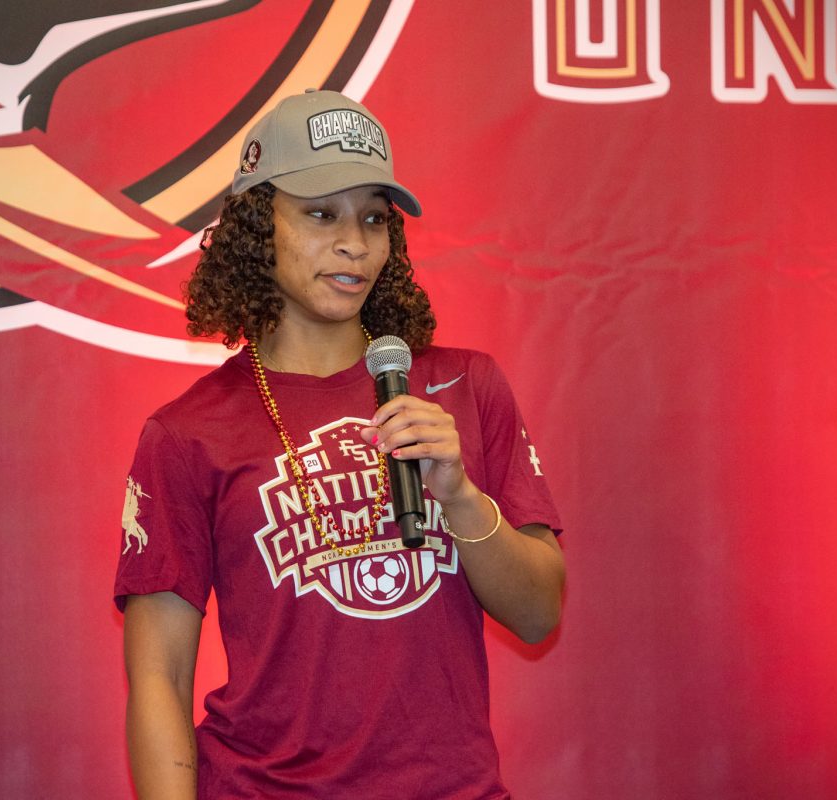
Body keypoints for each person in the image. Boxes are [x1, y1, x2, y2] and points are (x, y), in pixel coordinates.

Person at [115, 89, 565, 799]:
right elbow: (159, 679)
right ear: (260, 227)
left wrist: (459, 495)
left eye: (374, 218)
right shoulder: (186, 432)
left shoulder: (463, 386)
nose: (354, 242)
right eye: (321, 214)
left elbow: (540, 614)